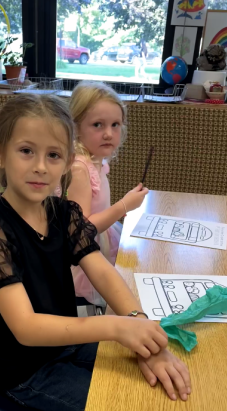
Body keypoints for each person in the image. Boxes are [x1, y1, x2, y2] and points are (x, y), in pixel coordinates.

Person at [0, 94, 190, 411]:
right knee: (134, 409)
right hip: (26, 373)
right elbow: (26, 328)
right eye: (26, 151)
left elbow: (102, 272)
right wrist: (115, 326)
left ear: (68, 160)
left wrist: (139, 327)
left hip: (66, 346)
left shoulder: (64, 214)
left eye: (53, 155)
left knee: (156, 379)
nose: (41, 166)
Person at [65, 81, 149, 308]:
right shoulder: (79, 169)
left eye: (115, 125)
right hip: (84, 256)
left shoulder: (95, 162)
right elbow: (82, 230)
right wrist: (124, 206)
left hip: (100, 241)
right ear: (75, 127)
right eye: (97, 125)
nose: (108, 134)